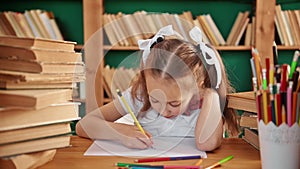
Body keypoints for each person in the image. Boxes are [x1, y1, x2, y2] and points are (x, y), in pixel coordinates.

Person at [76, 25, 239, 151]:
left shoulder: (207, 103)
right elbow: (84, 126)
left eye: (174, 104)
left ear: (198, 87)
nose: (163, 110)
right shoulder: (139, 95)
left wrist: (210, 93)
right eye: (155, 100)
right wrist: (121, 132)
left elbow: (206, 144)